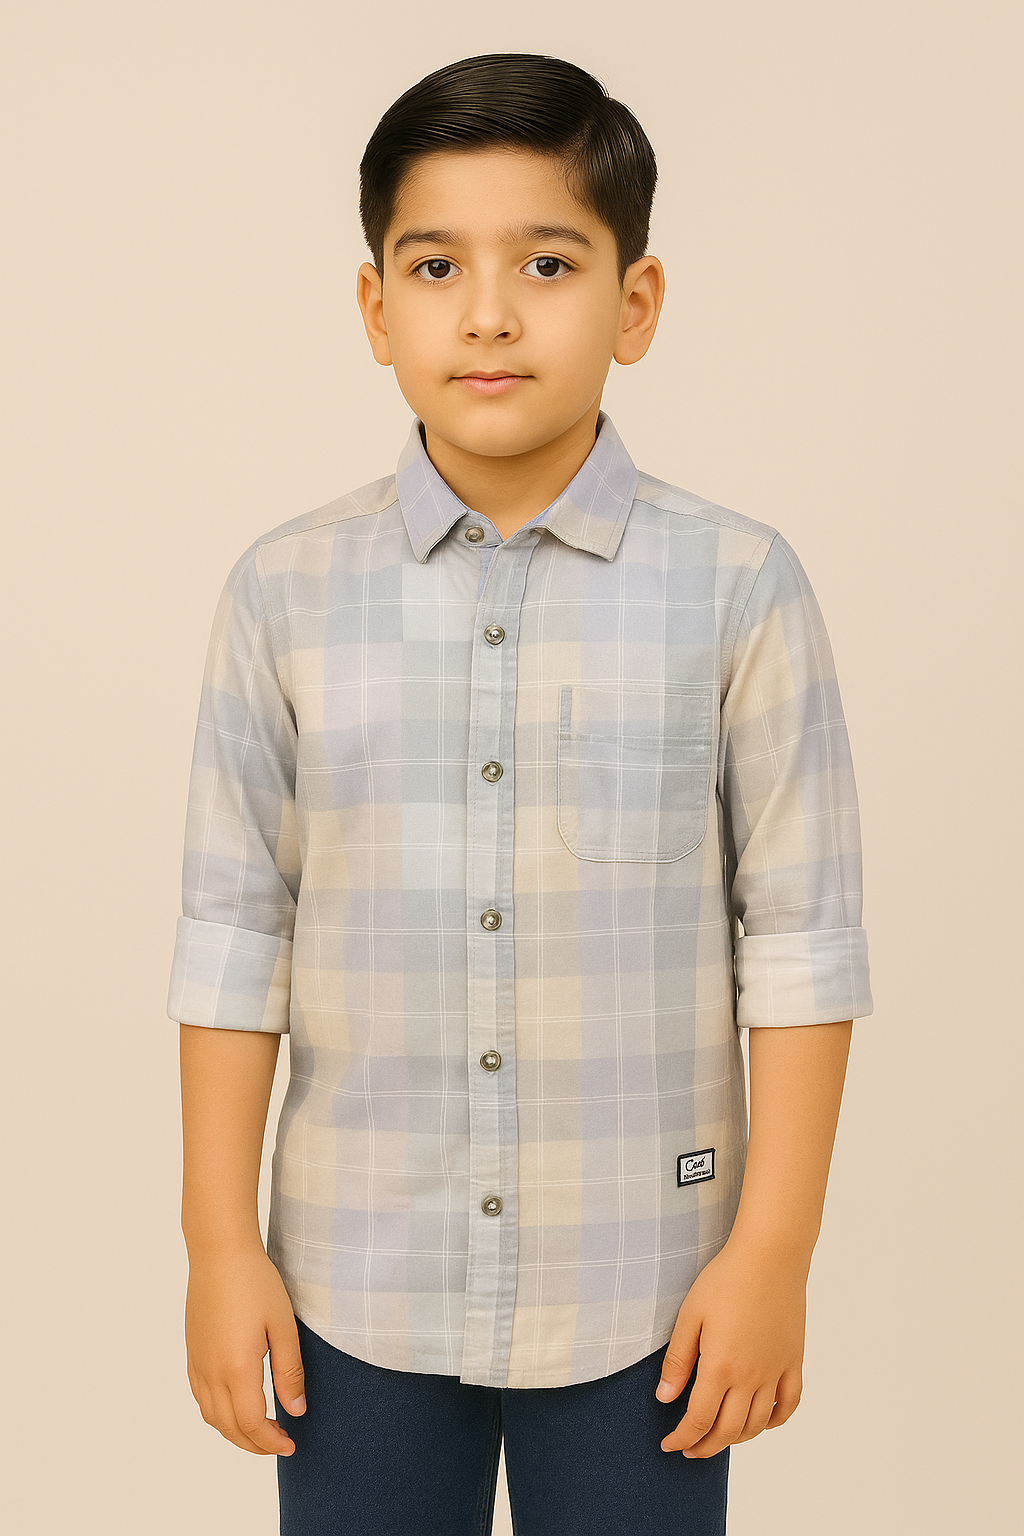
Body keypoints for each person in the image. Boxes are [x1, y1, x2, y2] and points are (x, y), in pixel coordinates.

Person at [169, 52, 873, 1536]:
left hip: (650, 1286)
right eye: (437, 266)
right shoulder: (284, 593)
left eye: (548, 263)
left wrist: (774, 1254)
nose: (488, 313)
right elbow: (235, 935)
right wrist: (217, 1247)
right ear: (377, 309)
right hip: (352, 1283)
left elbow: (803, 939)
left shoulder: (738, 585)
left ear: (637, 302)